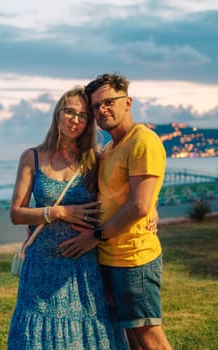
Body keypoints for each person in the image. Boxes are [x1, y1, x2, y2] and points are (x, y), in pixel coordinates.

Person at [7, 86, 129, 349]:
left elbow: (123, 195)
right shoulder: (32, 157)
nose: (75, 120)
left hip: (83, 266)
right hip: (40, 265)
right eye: (70, 112)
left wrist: (151, 210)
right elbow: (16, 214)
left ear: (89, 123)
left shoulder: (96, 160)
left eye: (83, 116)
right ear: (57, 114)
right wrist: (58, 211)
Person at [60, 73, 172, 350]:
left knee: (149, 336)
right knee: (132, 337)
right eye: (96, 106)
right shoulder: (110, 149)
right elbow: (121, 197)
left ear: (128, 102)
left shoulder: (142, 141)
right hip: (112, 258)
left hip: (134, 258)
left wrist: (95, 236)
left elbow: (139, 205)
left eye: (109, 102)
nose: (102, 110)